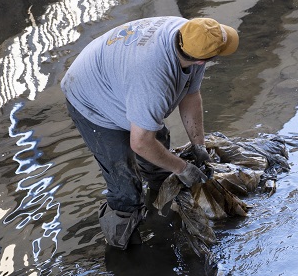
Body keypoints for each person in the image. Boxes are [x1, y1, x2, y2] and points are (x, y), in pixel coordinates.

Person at [61, 16, 239, 249]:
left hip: (121, 80)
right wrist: (183, 168)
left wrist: (199, 146)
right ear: (202, 60)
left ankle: (160, 208)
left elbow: (190, 95)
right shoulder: (152, 78)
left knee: (159, 153)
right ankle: (123, 253)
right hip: (91, 99)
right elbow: (141, 143)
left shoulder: (191, 35)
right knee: (125, 187)